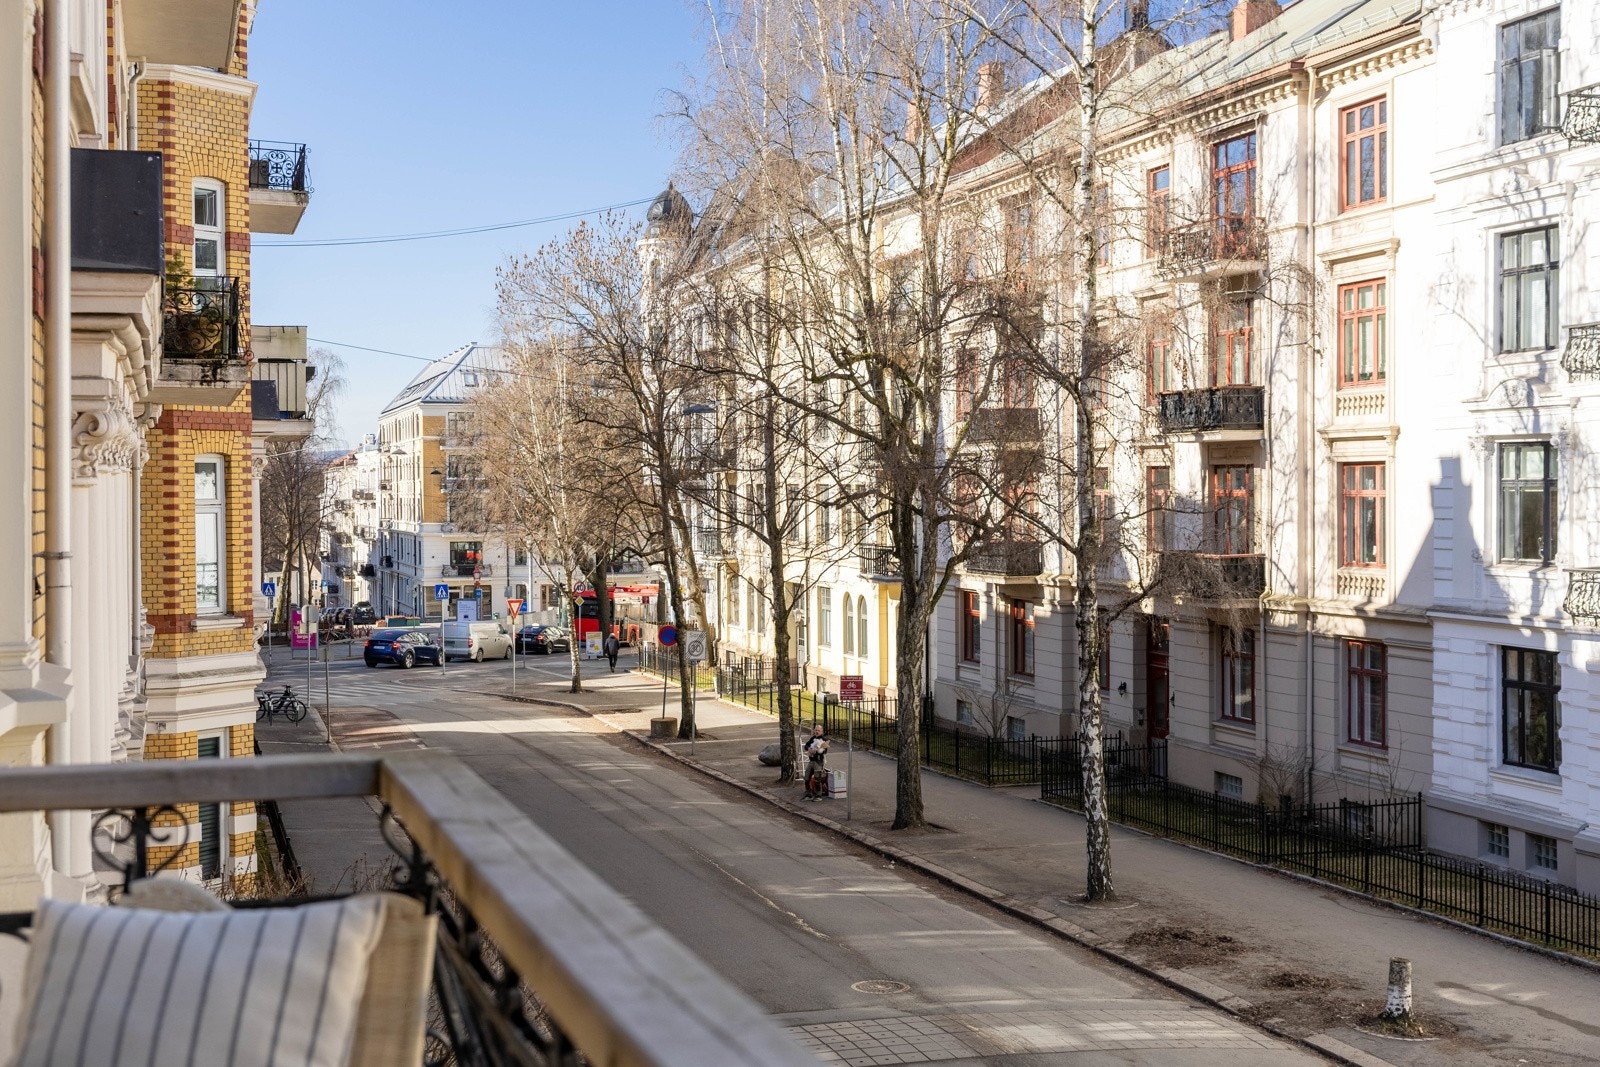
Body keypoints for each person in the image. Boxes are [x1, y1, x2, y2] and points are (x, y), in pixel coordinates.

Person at [802, 724, 829, 800]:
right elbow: (806, 746)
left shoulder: (824, 739)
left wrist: (816, 752)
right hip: (811, 761)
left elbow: (824, 751)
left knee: (817, 779)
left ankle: (818, 795)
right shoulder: (813, 738)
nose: (817, 732)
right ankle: (808, 793)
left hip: (818, 762)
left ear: (822, 731)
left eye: (818, 730)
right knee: (807, 777)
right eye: (816, 730)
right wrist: (809, 749)